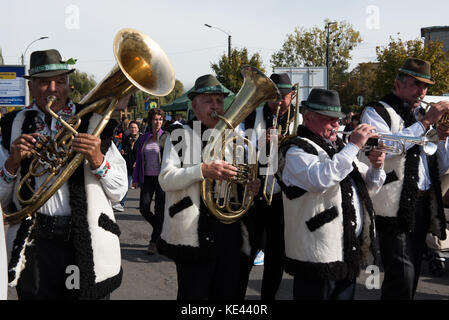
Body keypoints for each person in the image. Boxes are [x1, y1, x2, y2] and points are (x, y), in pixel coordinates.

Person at [0, 49, 128, 299]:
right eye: (44, 82)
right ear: (31, 87)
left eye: (60, 81)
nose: (52, 88)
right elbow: (2, 200)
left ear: (69, 85)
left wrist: (98, 160)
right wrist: (12, 164)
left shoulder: (93, 121)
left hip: (86, 241)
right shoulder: (12, 125)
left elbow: (120, 190)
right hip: (35, 246)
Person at [157, 74, 260, 300]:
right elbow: (166, 179)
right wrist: (203, 170)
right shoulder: (179, 135)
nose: (216, 106)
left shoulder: (233, 137)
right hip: (192, 234)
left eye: (219, 101)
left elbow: (236, 178)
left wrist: (248, 186)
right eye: (209, 101)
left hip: (229, 232)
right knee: (193, 296)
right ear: (194, 105)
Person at [278, 88, 386, 300]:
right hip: (316, 252)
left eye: (337, 119)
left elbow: (368, 190)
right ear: (308, 118)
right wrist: (354, 145)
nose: (336, 125)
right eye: (329, 120)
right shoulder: (295, 150)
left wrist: (377, 167)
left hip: (344, 248)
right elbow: (320, 179)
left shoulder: (340, 149)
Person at [361, 57, 449, 300]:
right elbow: (387, 145)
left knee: (411, 276)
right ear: (398, 84)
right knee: (402, 275)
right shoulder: (375, 110)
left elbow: (440, 164)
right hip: (392, 206)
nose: (422, 91)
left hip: (422, 204)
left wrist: (441, 138)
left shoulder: (421, 115)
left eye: (425, 86)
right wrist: (426, 123)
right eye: (416, 85)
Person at [243, 72, 300, 300]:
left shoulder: (301, 119)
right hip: (254, 195)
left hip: (283, 198)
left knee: (276, 257)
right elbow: (238, 149)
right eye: (273, 96)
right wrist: (259, 143)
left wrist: (286, 143)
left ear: (292, 95)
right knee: (245, 252)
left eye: (283, 97)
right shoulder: (252, 116)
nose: (278, 102)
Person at [132, 108, 167, 255]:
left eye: (160, 119)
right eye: (155, 119)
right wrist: (135, 178)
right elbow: (138, 160)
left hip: (162, 178)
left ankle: (153, 242)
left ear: (162, 121)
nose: (157, 121)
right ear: (150, 120)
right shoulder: (144, 137)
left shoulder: (167, 137)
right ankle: (161, 228)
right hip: (147, 178)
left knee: (159, 211)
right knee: (143, 208)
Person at [113, 120, 141, 212]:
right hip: (128, 164)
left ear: (138, 129)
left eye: (135, 128)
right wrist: (122, 151)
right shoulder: (126, 137)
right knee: (126, 184)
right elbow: (124, 148)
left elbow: (143, 152)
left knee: (143, 186)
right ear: (129, 129)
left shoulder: (142, 138)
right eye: (131, 127)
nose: (133, 129)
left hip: (139, 165)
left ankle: (143, 205)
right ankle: (121, 204)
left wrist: (137, 161)